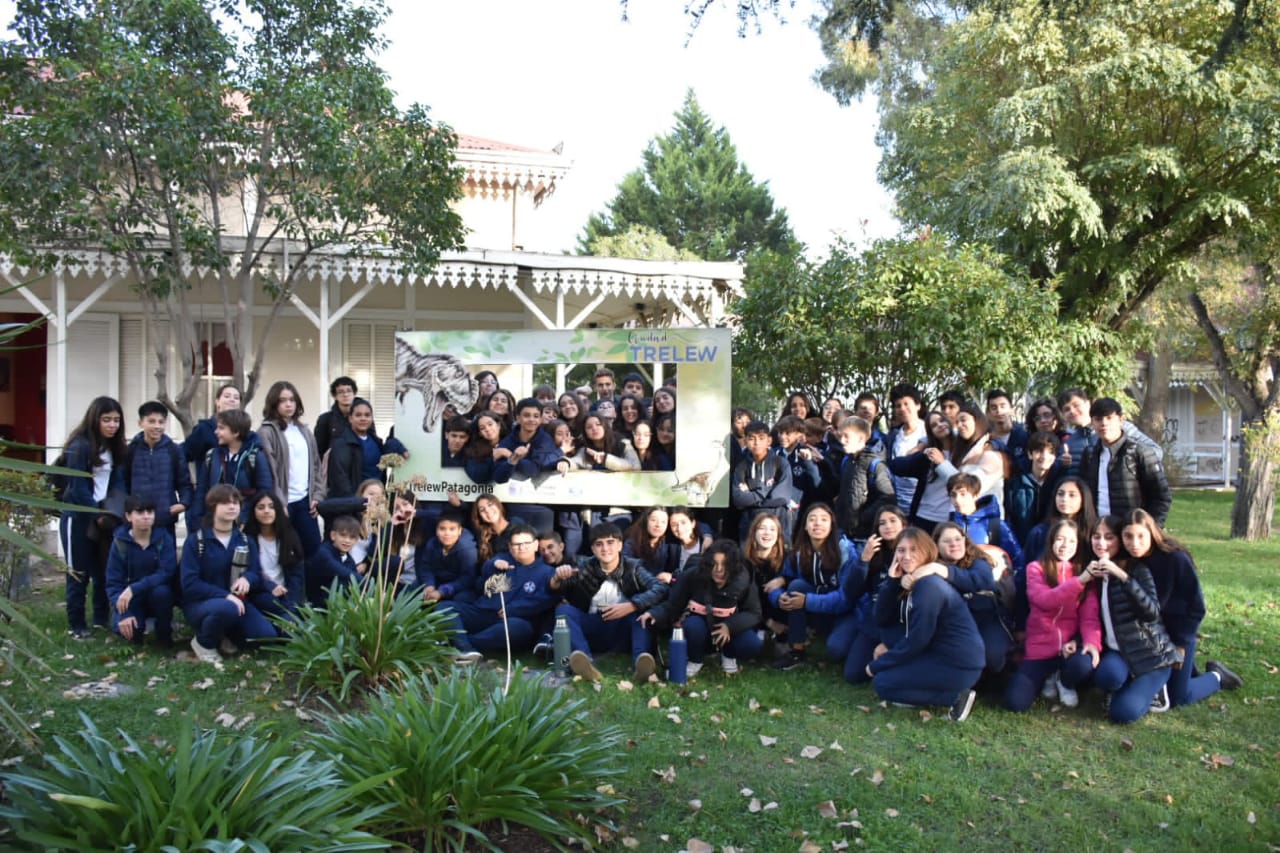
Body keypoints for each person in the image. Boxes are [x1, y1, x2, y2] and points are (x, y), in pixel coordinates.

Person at [1121, 508, 1242, 709]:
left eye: (1141, 536)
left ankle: (1217, 677)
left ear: (1152, 533)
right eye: (1128, 536)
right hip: (1151, 638)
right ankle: (1188, 673)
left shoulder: (1175, 559)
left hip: (1178, 636)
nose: (1135, 543)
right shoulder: (1128, 561)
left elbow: (1196, 606)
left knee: (1179, 697)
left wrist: (1182, 643)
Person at [865, 528, 985, 722]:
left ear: (927, 551)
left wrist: (878, 665)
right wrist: (892, 581)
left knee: (883, 683)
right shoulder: (912, 582)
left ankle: (955, 698)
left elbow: (918, 639)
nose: (906, 556)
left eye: (914, 550)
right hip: (937, 654)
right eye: (901, 550)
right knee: (886, 676)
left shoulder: (929, 585)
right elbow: (881, 618)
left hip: (957, 664)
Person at [1085, 516, 1183, 723]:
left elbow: (1151, 613)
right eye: (1096, 536)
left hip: (1151, 656)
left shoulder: (1137, 569)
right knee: (1105, 677)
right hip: (1119, 652)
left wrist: (1123, 577)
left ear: (1119, 541)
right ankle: (1131, 686)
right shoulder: (1093, 571)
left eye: (1109, 537)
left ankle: (1215, 678)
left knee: (1122, 714)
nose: (1102, 543)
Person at [551, 522, 666, 683]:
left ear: (620, 545)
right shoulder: (584, 567)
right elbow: (558, 588)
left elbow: (660, 588)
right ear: (593, 549)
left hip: (622, 630)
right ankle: (586, 663)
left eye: (610, 542)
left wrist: (632, 605)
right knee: (564, 611)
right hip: (593, 625)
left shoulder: (633, 568)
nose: (605, 549)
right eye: (599, 544)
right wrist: (556, 578)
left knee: (641, 613)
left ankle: (641, 666)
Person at [1005, 519, 1100, 711]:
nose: (1065, 545)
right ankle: (1048, 676)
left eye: (1071, 541)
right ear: (1051, 541)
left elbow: (1090, 617)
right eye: (1060, 539)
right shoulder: (1036, 568)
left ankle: (1064, 681)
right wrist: (1079, 581)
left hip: (1068, 649)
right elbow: (1045, 600)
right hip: (1039, 649)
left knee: (1083, 664)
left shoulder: (1082, 572)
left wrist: (1090, 642)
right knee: (1016, 702)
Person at [181, 484, 278, 663]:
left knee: (265, 635)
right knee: (227, 608)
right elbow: (190, 584)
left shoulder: (245, 540)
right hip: (201, 604)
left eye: (235, 503)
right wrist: (226, 596)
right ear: (213, 507)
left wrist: (247, 579)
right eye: (225, 503)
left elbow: (256, 573)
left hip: (238, 603)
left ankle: (225, 636)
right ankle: (204, 643)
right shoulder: (196, 541)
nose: (232, 507)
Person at [639, 539, 764, 676]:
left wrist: (730, 626)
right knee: (693, 626)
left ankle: (728, 655)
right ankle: (695, 660)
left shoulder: (743, 579)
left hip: (730, 629)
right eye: (714, 564)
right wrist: (655, 613)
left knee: (752, 644)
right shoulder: (693, 575)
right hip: (700, 628)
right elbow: (674, 604)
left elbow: (754, 613)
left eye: (725, 565)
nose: (719, 570)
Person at [59, 396, 127, 638]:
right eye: (106, 419)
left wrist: (114, 510)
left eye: (116, 420)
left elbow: (117, 482)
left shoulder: (114, 447)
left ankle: (100, 619)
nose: (112, 425)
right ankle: (76, 625)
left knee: (102, 571)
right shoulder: (80, 446)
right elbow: (78, 487)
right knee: (78, 572)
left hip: (105, 516)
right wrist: (95, 514)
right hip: (78, 518)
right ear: (94, 419)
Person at [770, 502, 861, 671]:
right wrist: (778, 597)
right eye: (812, 519)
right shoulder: (799, 551)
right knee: (796, 585)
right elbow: (779, 581)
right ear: (805, 526)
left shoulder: (845, 550)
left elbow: (846, 599)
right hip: (818, 610)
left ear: (832, 525)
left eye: (824, 519)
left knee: (836, 650)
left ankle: (854, 640)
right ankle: (797, 652)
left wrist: (807, 601)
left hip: (845, 612)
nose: (818, 523)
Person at [446, 523, 557, 657]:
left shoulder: (548, 572)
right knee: (445, 608)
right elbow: (486, 570)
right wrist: (494, 565)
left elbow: (543, 600)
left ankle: (464, 645)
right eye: (516, 544)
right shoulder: (502, 559)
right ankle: (463, 646)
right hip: (484, 612)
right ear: (510, 547)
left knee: (517, 629)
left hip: (514, 620)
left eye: (526, 543)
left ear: (535, 545)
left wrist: (512, 609)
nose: (521, 548)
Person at [929, 522, 1012, 674]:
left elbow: (981, 581)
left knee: (993, 658)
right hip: (953, 625)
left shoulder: (978, 560)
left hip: (987, 619)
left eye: (958, 539)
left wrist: (945, 571)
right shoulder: (931, 567)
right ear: (936, 545)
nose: (954, 544)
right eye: (947, 541)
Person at [256, 381, 323, 558]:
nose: (288, 404)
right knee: (288, 554)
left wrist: (317, 495)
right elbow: (270, 471)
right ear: (274, 403)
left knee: (314, 552)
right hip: (283, 503)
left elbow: (316, 466)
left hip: (305, 502)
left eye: (292, 400)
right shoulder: (266, 432)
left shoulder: (304, 431)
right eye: (283, 400)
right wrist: (279, 503)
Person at [842, 505, 908, 685]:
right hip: (874, 621)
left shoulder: (912, 554)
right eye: (882, 523)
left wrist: (890, 640)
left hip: (901, 624)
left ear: (904, 524)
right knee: (853, 675)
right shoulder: (873, 553)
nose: (888, 526)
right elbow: (851, 592)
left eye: (893, 521)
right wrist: (864, 560)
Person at [1080, 397, 1172, 525]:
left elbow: (1161, 497)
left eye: (1109, 418)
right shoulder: (1089, 454)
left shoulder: (1140, 452)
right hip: (1098, 530)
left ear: (1121, 420)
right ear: (1092, 423)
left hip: (1131, 529)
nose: (1104, 423)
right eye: (1098, 419)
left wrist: (1151, 528)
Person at [105, 495, 176, 647]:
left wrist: (134, 588)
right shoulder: (120, 542)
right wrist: (125, 613)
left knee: (163, 592)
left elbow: (166, 572)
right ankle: (134, 625)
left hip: (154, 595)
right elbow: (113, 583)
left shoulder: (164, 538)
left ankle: (164, 634)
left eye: (150, 512)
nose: (146, 516)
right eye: (140, 512)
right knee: (131, 632)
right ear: (128, 516)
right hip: (130, 600)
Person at [189, 408, 274, 530]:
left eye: (221, 428)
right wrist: (197, 522)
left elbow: (264, 491)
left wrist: (244, 517)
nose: (216, 432)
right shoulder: (212, 456)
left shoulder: (255, 456)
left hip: (246, 525)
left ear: (236, 432)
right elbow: (202, 491)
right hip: (215, 522)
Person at [124, 401, 191, 535]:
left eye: (161, 422)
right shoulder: (131, 450)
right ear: (140, 423)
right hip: (137, 520)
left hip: (165, 518)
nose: (157, 426)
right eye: (151, 421)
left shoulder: (174, 450)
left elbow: (184, 482)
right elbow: (123, 483)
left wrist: (183, 503)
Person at [885, 410, 955, 533]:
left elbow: (960, 482)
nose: (940, 425)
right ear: (931, 432)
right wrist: (918, 452)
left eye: (942, 420)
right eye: (934, 425)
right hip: (924, 516)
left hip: (951, 518)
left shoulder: (965, 451)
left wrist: (941, 462)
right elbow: (896, 466)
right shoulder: (929, 455)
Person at [323, 397, 408, 499]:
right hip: (355, 501)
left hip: (377, 499)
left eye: (367, 415)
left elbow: (386, 458)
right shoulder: (341, 444)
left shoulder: (376, 442)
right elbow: (340, 479)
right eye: (358, 415)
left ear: (372, 418)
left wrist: (397, 445)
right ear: (350, 418)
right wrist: (353, 503)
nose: (363, 418)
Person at [730, 420, 798, 542]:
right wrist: (768, 489)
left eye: (761, 438)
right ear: (745, 441)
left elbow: (781, 497)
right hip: (750, 525)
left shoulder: (780, 463)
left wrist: (751, 492)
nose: (756, 443)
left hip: (777, 523)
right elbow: (738, 499)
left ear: (769, 441)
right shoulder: (742, 467)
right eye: (751, 438)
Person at [243, 492, 307, 619]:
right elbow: (251, 572)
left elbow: (296, 577)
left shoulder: (289, 536)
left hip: (285, 594)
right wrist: (270, 587)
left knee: (291, 616)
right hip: (260, 592)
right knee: (271, 604)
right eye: (261, 507)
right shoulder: (247, 539)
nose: (266, 511)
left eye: (271, 507)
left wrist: (291, 607)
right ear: (253, 512)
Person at [832, 416, 894, 545]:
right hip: (844, 531)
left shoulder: (874, 464)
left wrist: (862, 517)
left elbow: (887, 498)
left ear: (861, 438)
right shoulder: (847, 461)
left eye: (846, 436)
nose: (842, 441)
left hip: (865, 535)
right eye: (841, 436)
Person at [946, 472, 1024, 572]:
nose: (957, 500)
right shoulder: (949, 525)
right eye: (953, 495)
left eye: (963, 494)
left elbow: (1018, 561)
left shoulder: (995, 526)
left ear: (975, 495)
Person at [1005, 430, 1066, 544]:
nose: (1044, 456)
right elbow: (1009, 516)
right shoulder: (1015, 481)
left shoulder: (1060, 481)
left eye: (1051, 452)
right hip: (1019, 543)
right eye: (1039, 451)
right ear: (1030, 454)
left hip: (1050, 544)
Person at [416, 510, 480, 606]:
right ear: (436, 531)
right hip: (436, 582)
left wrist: (442, 592)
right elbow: (426, 567)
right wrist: (429, 584)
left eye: (452, 529)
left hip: (459, 587)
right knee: (414, 589)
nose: (447, 533)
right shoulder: (432, 543)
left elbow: (467, 578)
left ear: (460, 531)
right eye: (442, 529)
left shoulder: (466, 549)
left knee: (461, 599)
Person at [742, 513, 788, 640]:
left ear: (778, 534)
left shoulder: (786, 558)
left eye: (772, 529)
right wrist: (768, 622)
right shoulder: (742, 560)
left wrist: (784, 580)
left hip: (777, 609)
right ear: (754, 532)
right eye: (762, 528)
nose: (767, 533)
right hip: (750, 611)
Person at [494, 397, 562, 482]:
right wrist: (512, 460)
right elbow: (499, 478)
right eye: (526, 415)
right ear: (518, 418)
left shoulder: (545, 440)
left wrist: (509, 455)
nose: (531, 419)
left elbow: (534, 470)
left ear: (540, 419)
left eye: (536, 416)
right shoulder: (508, 441)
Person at [884, 383, 928, 514]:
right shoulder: (893, 436)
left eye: (906, 404)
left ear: (918, 405)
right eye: (898, 406)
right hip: (898, 505)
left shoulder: (929, 432)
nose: (902, 409)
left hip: (923, 505)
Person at [307, 515, 366, 604]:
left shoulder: (349, 560)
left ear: (356, 540)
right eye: (343, 535)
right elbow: (341, 571)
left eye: (352, 537)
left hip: (339, 603)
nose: (347, 541)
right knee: (342, 582)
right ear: (333, 535)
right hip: (317, 603)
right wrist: (368, 584)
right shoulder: (323, 552)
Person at [183, 384, 241, 469]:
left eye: (236, 398)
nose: (232, 400)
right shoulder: (204, 429)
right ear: (217, 401)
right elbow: (183, 454)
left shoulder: (244, 431)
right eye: (227, 396)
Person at [559, 413, 639, 473]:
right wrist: (566, 463)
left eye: (598, 424)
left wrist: (606, 459)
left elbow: (635, 465)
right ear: (585, 433)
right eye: (589, 427)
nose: (594, 428)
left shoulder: (622, 442)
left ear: (605, 426)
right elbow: (575, 462)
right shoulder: (585, 449)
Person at [624, 506, 678, 578]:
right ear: (646, 521)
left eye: (663, 522)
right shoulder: (632, 542)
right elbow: (628, 567)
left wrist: (670, 577)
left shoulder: (670, 544)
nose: (658, 525)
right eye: (653, 520)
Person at [313, 376, 358, 460]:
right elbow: (318, 449)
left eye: (349, 391)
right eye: (340, 392)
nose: (345, 395)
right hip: (334, 465)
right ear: (335, 396)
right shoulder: (325, 419)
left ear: (354, 394)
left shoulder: (363, 417)